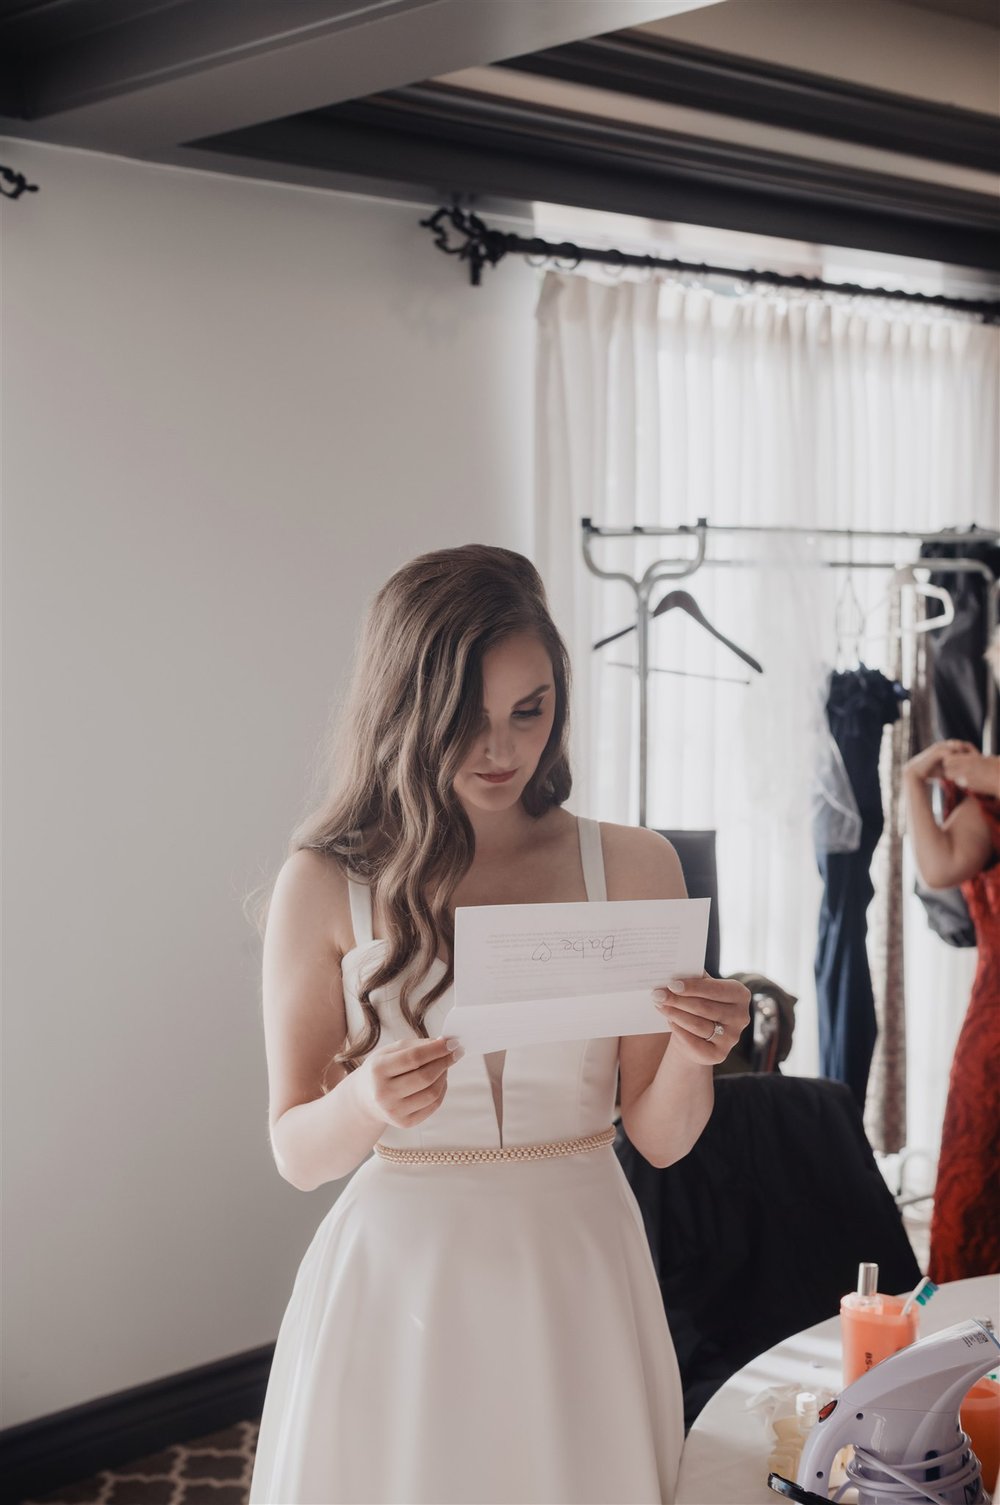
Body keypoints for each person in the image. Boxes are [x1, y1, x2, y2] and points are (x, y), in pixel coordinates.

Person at [247, 544, 751, 1505]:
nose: (504, 750)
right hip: (400, 1279)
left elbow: (660, 1136)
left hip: (580, 1264)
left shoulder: (636, 865)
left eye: (532, 709)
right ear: (405, 708)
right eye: (469, 720)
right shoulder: (324, 882)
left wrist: (695, 1054)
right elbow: (295, 1152)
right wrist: (362, 1102)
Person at [903, 727, 1000, 1285]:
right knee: (981, 1183)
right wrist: (913, 780)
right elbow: (938, 869)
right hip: (994, 1026)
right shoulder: (984, 790)